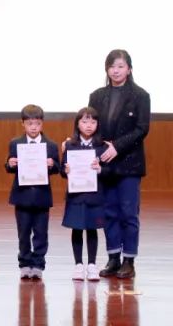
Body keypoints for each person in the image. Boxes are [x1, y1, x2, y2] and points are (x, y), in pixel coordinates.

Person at [87, 49, 151, 279]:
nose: (115, 71)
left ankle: (129, 261)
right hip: (104, 162)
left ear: (129, 69)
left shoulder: (141, 95)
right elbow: (89, 125)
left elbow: (142, 129)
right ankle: (113, 257)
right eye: (112, 66)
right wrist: (76, 143)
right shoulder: (97, 95)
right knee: (109, 212)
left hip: (129, 162)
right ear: (107, 69)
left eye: (120, 66)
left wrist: (117, 147)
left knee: (128, 213)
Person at [5, 104, 60, 279]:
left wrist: (52, 165)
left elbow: (57, 168)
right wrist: (10, 164)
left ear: (42, 123)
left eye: (37, 123)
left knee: (41, 233)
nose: (34, 127)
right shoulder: (16, 143)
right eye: (30, 123)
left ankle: (38, 264)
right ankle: (24, 263)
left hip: (42, 196)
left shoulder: (50, 145)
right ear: (23, 124)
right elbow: (9, 165)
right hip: (22, 196)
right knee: (23, 233)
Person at [60, 106, 104, 281]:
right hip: (76, 195)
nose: (89, 125)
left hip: (94, 195)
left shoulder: (102, 146)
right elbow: (62, 170)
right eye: (85, 121)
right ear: (77, 124)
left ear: (98, 125)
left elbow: (108, 170)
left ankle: (92, 264)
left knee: (92, 229)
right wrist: (66, 170)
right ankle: (78, 264)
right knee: (77, 228)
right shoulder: (70, 145)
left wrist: (100, 169)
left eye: (93, 122)